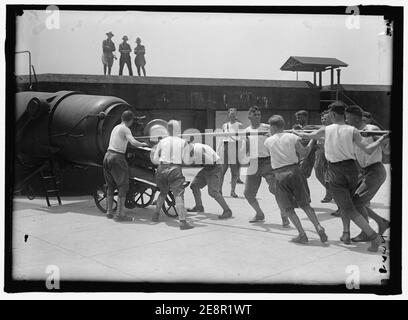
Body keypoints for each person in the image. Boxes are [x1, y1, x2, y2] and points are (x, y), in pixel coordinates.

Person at [297, 101, 388, 252]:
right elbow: (369, 149)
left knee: (348, 208)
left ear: (333, 115)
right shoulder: (353, 130)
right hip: (352, 169)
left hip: (336, 171)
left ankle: (375, 237)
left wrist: (292, 133)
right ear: (343, 115)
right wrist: (381, 139)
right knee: (349, 205)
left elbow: (306, 135)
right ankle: (347, 233)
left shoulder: (327, 129)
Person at [264, 115, 328, 244]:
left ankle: (302, 234)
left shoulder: (268, 141)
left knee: (288, 208)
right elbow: (304, 153)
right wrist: (312, 140)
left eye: (270, 127)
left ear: (274, 126)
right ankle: (318, 226)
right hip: (295, 171)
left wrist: (269, 137)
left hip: (280, 174)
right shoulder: (292, 137)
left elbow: (271, 149)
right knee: (305, 204)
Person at [345, 105, 390, 242]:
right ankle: (381, 222)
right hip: (363, 171)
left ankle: (366, 232)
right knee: (354, 202)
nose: (346, 120)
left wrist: (384, 139)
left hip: (375, 170)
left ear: (354, 116)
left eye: (347, 117)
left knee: (356, 203)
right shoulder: (354, 132)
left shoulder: (372, 129)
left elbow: (387, 151)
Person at [243, 106, 290, 227]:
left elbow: (281, 135)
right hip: (253, 162)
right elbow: (247, 147)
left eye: (259, 114)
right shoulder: (246, 130)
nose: (258, 116)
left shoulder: (267, 127)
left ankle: (284, 216)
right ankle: (259, 214)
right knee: (248, 193)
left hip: (267, 162)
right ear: (249, 116)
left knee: (276, 190)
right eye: (255, 115)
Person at [103, 110, 147, 221]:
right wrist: (142, 144)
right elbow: (133, 142)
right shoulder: (125, 129)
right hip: (117, 157)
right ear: (130, 120)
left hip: (107, 156)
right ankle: (120, 215)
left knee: (111, 186)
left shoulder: (116, 128)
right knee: (123, 186)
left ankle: (109, 211)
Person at [151, 120, 194, 230]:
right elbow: (187, 161)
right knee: (178, 195)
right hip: (175, 169)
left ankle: (155, 215)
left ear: (168, 130)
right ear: (177, 129)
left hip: (161, 169)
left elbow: (155, 160)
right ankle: (183, 222)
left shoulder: (161, 142)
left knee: (163, 192)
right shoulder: (183, 142)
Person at [186, 140, 233, 219]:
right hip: (208, 167)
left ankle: (227, 211)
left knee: (213, 192)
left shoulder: (197, 150)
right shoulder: (196, 146)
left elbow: (210, 161)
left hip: (214, 167)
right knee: (195, 185)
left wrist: (195, 162)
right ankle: (199, 206)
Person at [219, 108, 242, 198]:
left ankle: (233, 191)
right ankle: (219, 190)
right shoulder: (225, 125)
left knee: (234, 172)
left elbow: (242, 139)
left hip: (234, 147)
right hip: (225, 147)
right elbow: (221, 138)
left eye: (234, 114)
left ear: (236, 115)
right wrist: (218, 151)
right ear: (228, 115)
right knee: (222, 171)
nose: (232, 115)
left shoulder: (239, 125)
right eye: (231, 114)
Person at [314, 110, 333, 203]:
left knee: (329, 177)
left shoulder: (333, 129)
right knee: (318, 173)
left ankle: (330, 194)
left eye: (326, 118)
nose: (323, 120)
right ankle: (330, 192)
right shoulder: (321, 128)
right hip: (320, 153)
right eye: (322, 118)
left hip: (330, 154)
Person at [293, 109, 318, 179]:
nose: (297, 119)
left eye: (299, 117)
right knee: (299, 175)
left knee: (304, 175)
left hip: (309, 154)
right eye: (297, 118)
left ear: (305, 117)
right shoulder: (296, 128)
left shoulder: (310, 128)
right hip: (298, 155)